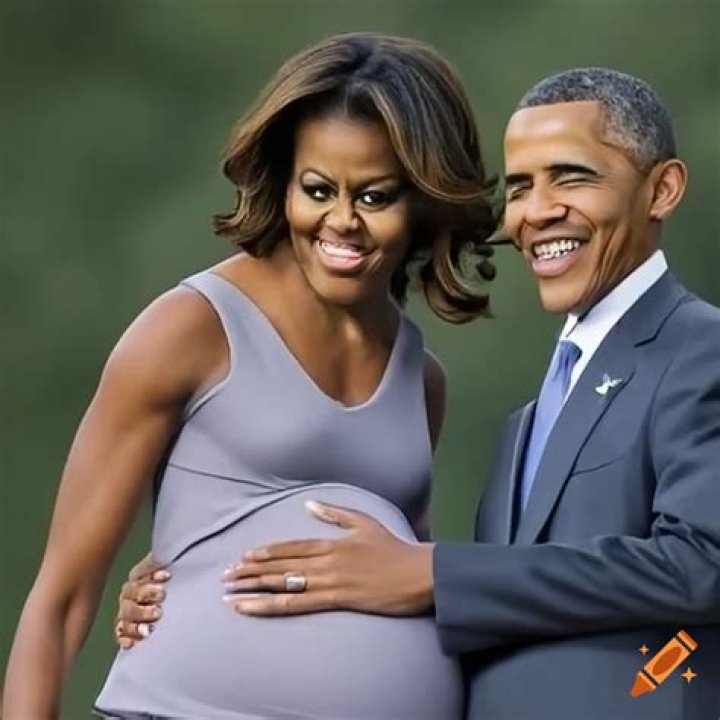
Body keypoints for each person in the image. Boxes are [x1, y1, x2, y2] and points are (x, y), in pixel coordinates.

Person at [120, 68, 719, 720]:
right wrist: (202, 564)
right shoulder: (529, 422)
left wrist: (434, 572)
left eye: (571, 178)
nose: (537, 211)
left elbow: (702, 563)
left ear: (662, 189)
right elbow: (508, 605)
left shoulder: (701, 350)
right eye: (520, 187)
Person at [2, 32, 499, 720]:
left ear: (424, 200)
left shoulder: (421, 378)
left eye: (375, 196)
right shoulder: (192, 327)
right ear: (284, 182)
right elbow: (59, 600)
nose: (342, 221)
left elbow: (401, 580)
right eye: (318, 190)